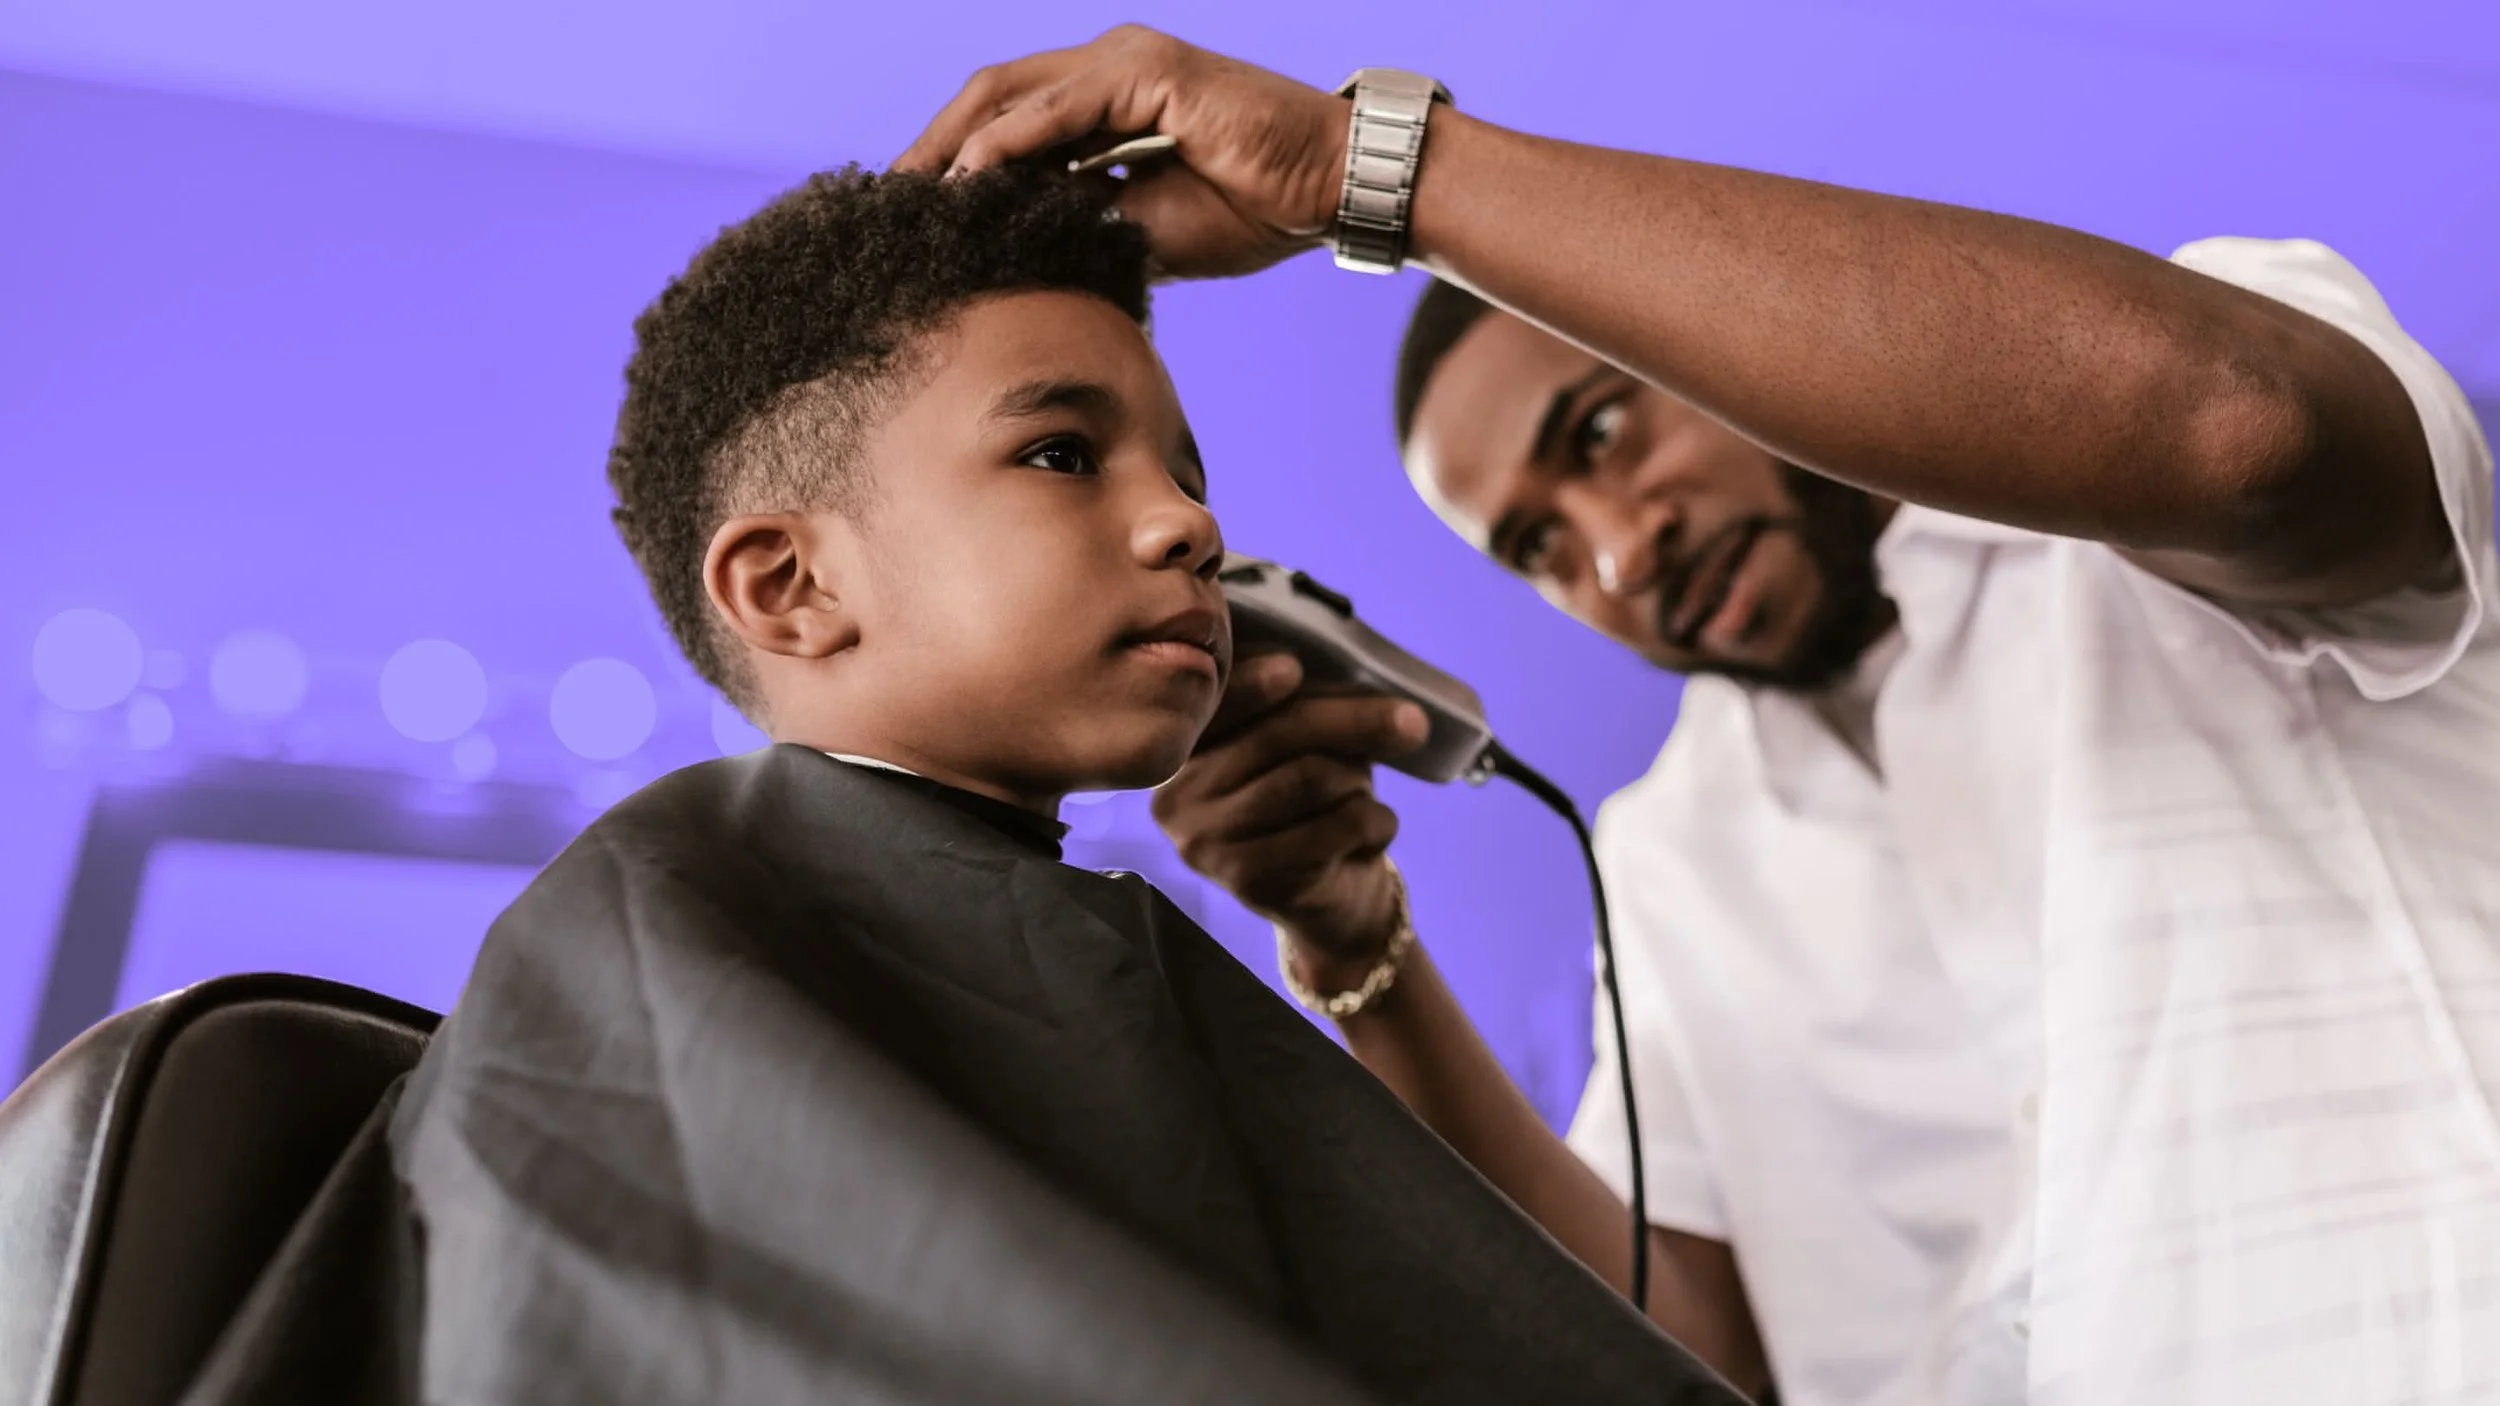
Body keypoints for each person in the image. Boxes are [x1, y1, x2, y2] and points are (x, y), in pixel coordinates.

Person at [897, 26, 2500, 1406]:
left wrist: (1364, 170)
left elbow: (2244, 434)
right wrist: (1352, 943)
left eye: (1602, 431)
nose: (1614, 549)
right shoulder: (1673, 858)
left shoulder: (2168, 511)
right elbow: (1677, 1349)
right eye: (1538, 546)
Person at [177, 165, 1747, 1406]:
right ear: (789, 588)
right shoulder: (677, 928)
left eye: (1190, 476)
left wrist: (1357, 938)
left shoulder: (1084, 940)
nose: (1190, 527)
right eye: (1066, 454)